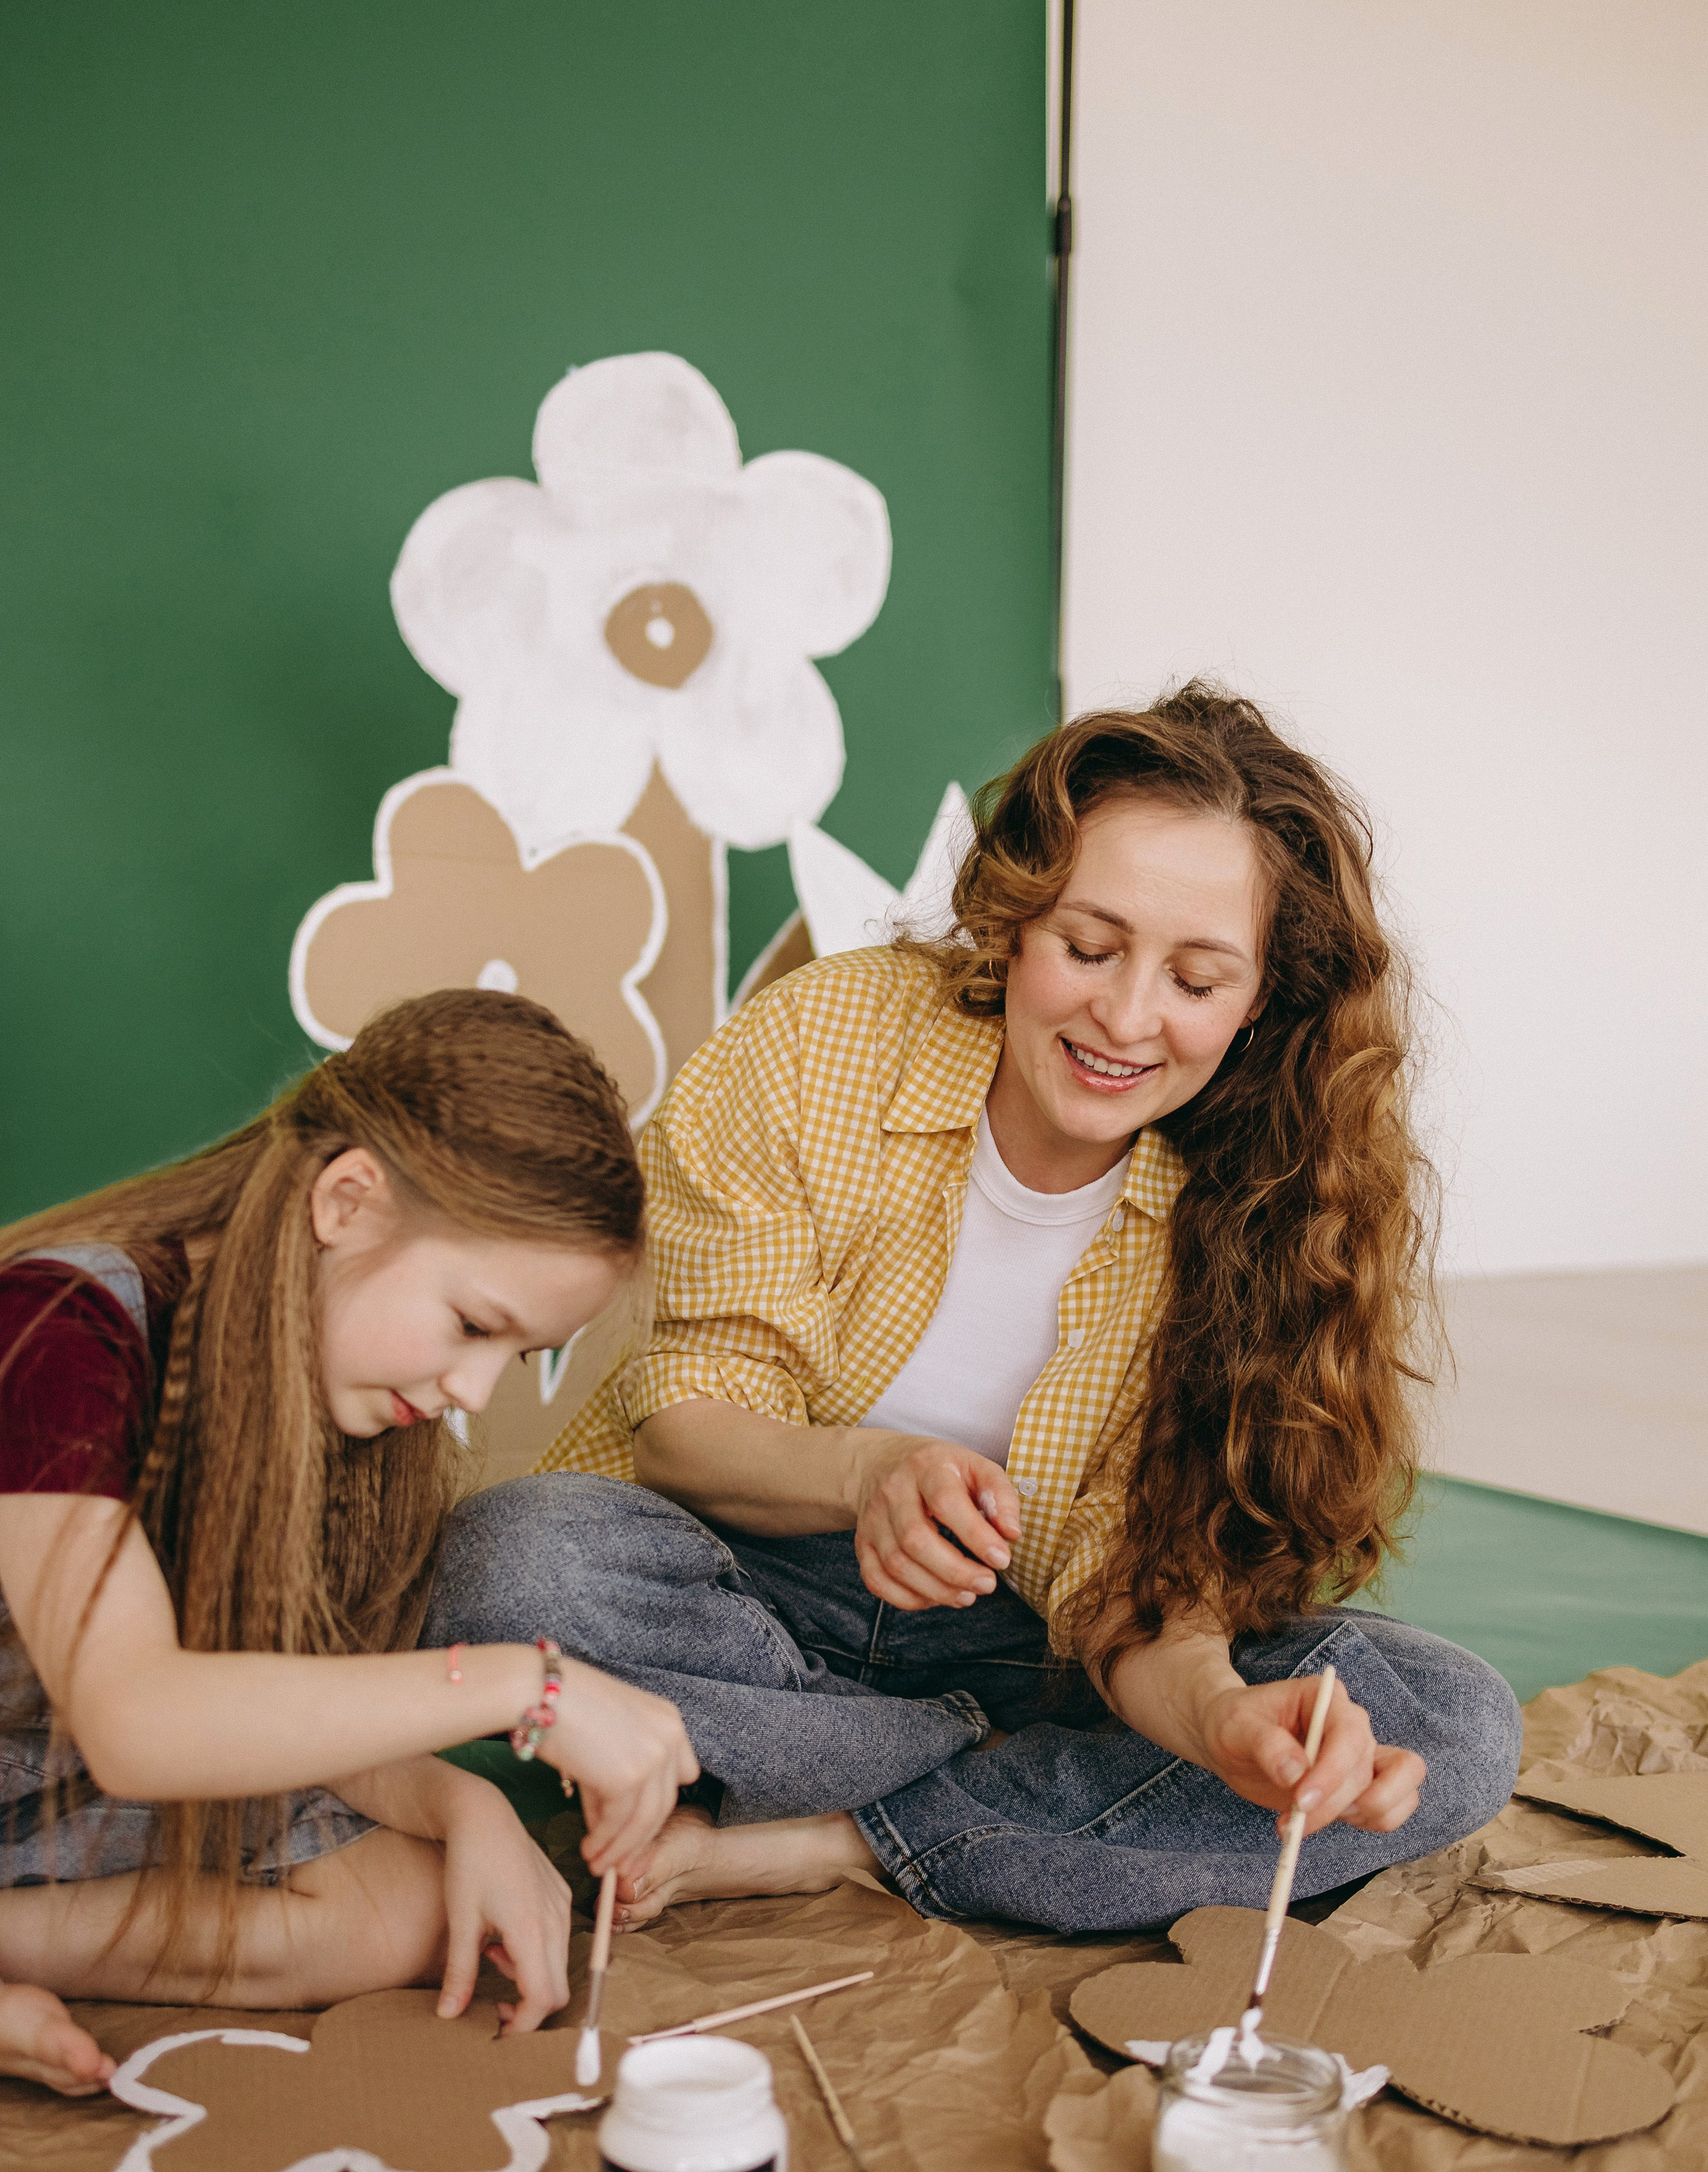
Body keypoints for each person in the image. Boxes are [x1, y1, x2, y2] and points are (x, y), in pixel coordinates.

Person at [426, 685, 1521, 1934]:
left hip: (1039, 1652)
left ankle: (826, 1834)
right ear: (1011, 922)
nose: (1124, 1018)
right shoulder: (821, 1041)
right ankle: (1000, 1799)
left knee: (1455, 1723)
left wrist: (1221, 1716)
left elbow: (1136, 1595)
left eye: (1198, 979)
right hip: (752, 1606)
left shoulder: (1270, 1192)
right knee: (515, 1559)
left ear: (1262, 999)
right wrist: (866, 1477)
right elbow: (687, 1425)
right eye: (1088, 948)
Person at [0, 990, 695, 2095]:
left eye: (511, 1358)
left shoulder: (312, 1386)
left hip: (39, 1779)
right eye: (473, 1324)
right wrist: (528, 1687)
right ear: (349, 1201)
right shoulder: (59, 1331)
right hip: (83, 1750)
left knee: (413, 1918)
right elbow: (138, 1722)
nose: (470, 1389)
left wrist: (461, 1801)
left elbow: (274, 1698)